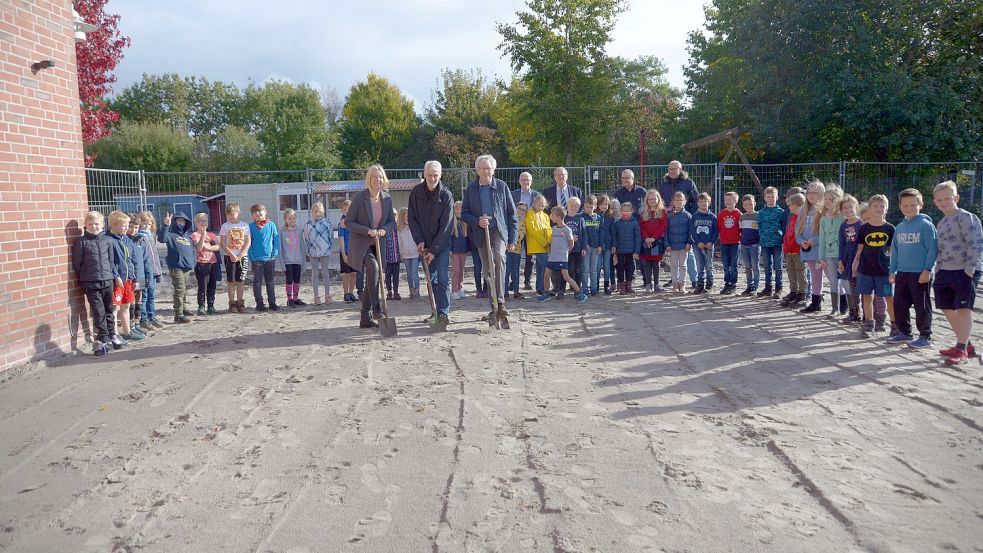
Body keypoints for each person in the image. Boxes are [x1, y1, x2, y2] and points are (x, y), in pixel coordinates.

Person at [461, 154, 519, 326]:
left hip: (499, 231)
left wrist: (512, 239)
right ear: (477, 170)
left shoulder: (502, 186)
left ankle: (501, 302)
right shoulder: (471, 189)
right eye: (482, 168)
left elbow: (512, 214)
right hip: (481, 233)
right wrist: (477, 221)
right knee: (487, 270)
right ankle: (494, 305)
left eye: (489, 168)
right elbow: (464, 213)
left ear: (493, 169)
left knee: (499, 258)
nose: (486, 171)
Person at [932, 180, 983, 364]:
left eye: (947, 198)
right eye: (939, 199)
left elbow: (975, 243)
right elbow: (940, 248)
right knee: (946, 307)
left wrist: (970, 268)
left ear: (956, 197)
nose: (943, 201)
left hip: (965, 270)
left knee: (963, 308)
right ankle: (966, 344)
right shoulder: (941, 222)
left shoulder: (967, 217)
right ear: (935, 201)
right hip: (945, 270)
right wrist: (937, 269)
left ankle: (961, 351)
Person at [346, 164, 397, 329]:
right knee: (373, 268)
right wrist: (368, 231)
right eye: (374, 177)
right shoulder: (360, 197)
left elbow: (391, 222)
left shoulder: (387, 198)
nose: (378, 179)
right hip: (361, 243)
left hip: (378, 244)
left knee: (372, 277)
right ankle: (377, 308)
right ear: (369, 179)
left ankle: (364, 318)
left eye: (380, 176)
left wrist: (383, 230)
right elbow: (349, 222)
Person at [408, 161, 455, 327]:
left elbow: (446, 226)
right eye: (429, 174)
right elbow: (411, 218)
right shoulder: (415, 192)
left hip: (440, 247)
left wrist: (434, 250)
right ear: (424, 174)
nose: (432, 178)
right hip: (423, 245)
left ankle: (443, 313)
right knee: (431, 279)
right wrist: (419, 241)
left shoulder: (446, 195)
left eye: (435, 175)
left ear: (440, 175)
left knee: (442, 279)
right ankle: (434, 311)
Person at [888, 188, 937, 347]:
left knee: (921, 305)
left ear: (920, 204)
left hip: (920, 274)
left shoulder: (926, 225)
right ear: (900, 206)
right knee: (899, 304)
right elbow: (894, 251)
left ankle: (925, 336)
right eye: (905, 205)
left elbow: (933, 249)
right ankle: (905, 333)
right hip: (902, 273)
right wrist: (892, 270)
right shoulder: (900, 227)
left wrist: (927, 270)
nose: (909, 208)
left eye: (912, 204)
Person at [72, 211, 119, 356]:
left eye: (97, 223)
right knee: (98, 312)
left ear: (102, 225)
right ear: (85, 225)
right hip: (91, 282)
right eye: (90, 224)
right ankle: (103, 339)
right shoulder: (81, 242)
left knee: (109, 310)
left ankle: (112, 335)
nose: (94, 226)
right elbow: (77, 264)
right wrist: (86, 277)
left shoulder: (108, 241)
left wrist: (112, 277)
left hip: (107, 280)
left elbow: (111, 262)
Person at [852, 194, 895, 339]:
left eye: (882, 206)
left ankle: (895, 326)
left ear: (886, 209)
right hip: (866, 270)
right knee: (867, 296)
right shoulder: (864, 228)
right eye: (875, 206)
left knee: (888, 297)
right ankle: (869, 324)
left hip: (884, 271)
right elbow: (860, 249)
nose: (879, 209)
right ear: (869, 209)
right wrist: (855, 265)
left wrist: (892, 269)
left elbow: (892, 251)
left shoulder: (890, 229)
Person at [660, 161, 699, 288]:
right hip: (670, 220)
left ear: (680, 169)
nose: (671, 171)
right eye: (670, 169)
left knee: (689, 252)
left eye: (674, 169)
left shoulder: (688, 183)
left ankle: (695, 280)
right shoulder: (664, 185)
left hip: (685, 220)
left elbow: (695, 200)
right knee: (674, 257)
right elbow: (661, 202)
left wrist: (690, 216)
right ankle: (674, 280)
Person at [537, 206, 586, 303]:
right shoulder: (554, 228)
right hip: (552, 257)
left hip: (562, 257)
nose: (550, 216)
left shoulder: (567, 230)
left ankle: (580, 293)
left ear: (558, 217)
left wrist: (566, 252)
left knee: (566, 277)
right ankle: (546, 293)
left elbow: (571, 243)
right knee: (546, 275)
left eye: (552, 215)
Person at [107, 211, 142, 342]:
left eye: (127, 225)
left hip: (128, 280)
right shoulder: (109, 240)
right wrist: (116, 276)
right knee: (115, 307)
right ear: (114, 225)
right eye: (124, 225)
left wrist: (135, 278)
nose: (127, 228)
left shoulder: (127, 239)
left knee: (126, 305)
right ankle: (115, 335)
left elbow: (133, 260)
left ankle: (127, 331)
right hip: (117, 281)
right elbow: (109, 261)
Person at [157, 210, 196, 323]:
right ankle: (178, 314)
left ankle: (183, 308)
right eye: (179, 220)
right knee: (179, 289)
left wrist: (192, 263)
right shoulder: (170, 235)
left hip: (186, 267)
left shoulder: (188, 237)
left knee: (183, 289)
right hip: (175, 266)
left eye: (183, 221)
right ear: (174, 222)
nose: (181, 223)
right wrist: (165, 225)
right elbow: (161, 239)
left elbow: (192, 251)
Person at [796, 181, 826, 312]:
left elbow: (828, 232)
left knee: (832, 276)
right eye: (809, 192)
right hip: (807, 249)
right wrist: (801, 241)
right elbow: (798, 230)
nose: (811, 195)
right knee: (815, 275)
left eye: (815, 193)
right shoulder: (803, 210)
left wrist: (816, 240)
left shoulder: (824, 210)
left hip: (821, 249)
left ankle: (842, 303)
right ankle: (816, 303)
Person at [818, 185, 846, 317]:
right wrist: (821, 257)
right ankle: (835, 309)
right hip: (829, 255)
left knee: (846, 282)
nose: (828, 201)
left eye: (831, 199)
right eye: (826, 198)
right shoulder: (823, 218)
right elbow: (822, 238)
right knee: (834, 282)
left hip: (843, 256)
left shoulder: (843, 217)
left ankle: (852, 310)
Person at [247, 203, 280, 312]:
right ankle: (259, 303)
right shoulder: (250, 227)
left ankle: (272, 303)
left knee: (270, 281)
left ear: (265, 212)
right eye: (255, 212)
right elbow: (248, 243)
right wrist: (252, 257)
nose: (258, 213)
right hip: (257, 260)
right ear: (252, 215)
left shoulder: (271, 225)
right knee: (257, 282)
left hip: (270, 259)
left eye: (260, 211)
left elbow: (276, 239)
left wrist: (274, 254)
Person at [219, 202, 250, 313]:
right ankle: (232, 304)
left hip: (242, 257)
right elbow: (222, 243)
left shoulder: (245, 225)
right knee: (231, 281)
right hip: (229, 257)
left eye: (233, 214)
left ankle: (240, 303)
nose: (231, 216)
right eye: (229, 215)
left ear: (238, 212)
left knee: (240, 281)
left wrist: (241, 254)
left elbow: (248, 242)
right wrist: (231, 254)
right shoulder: (225, 226)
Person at [512, 172, 541, 290]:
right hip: (516, 229)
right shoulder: (512, 194)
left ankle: (527, 281)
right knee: (514, 256)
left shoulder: (537, 195)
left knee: (530, 256)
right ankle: (513, 281)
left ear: (531, 181)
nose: (525, 182)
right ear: (519, 181)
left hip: (531, 229)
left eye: (528, 180)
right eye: (523, 180)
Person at [837, 196, 863, 322]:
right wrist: (840, 260)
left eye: (850, 207)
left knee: (863, 286)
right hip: (848, 259)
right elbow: (841, 244)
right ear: (841, 211)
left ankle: (867, 314)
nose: (848, 210)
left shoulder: (861, 224)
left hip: (860, 258)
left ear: (856, 208)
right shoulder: (843, 226)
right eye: (845, 208)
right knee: (852, 286)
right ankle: (854, 312)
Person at [757, 187, 786, 299]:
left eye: (772, 196)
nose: (770, 199)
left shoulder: (781, 212)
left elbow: (783, 227)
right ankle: (768, 288)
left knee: (778, 266)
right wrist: (762, 236)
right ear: (764, 198)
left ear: (777, 197)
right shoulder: (761, 212)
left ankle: (779, 288)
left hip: (777, 243)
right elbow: (759, 226)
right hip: (765, 243)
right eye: (768, 197)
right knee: (767, 266)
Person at [303, 201, 334, 305]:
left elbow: (331, 236)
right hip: (313, 252)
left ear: (323, 211)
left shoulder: (327, 223)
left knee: (325, 273)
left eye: (320, 211)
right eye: (315, 211)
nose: (317, 213)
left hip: (325, 251)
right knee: (315, 273)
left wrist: (329, 247)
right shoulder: (308, 224)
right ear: (312, 212)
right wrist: (309, 249)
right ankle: (316, 296)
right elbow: (307, 237)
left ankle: (327, 295)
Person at [137, 211, 164, 329]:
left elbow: (155, 256)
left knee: (151, 295)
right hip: (143, 272)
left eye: (148, 224)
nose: (146, 226)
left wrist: (158, 271)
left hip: (153, 270)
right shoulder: (138, 238)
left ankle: (152, 316)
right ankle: (144, 319)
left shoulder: (151, 236)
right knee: (144, 296)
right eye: (144, 223)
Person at [638, 190, 668, 293]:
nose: (652, 201)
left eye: (654, 198)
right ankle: (648, 284)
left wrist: (654, 238)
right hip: (646, 242)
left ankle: (656, 284)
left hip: (657, 241)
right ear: (646, 200)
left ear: (658, 199)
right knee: (646, 263)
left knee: (656, 263)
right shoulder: (643, 212)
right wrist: (646, 238)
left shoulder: (662, 212)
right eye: (649, 199)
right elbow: (641, 227)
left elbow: (663, 227)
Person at [555, 196, 586, 296]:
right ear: (567, 206)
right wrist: (570, 238)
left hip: (578, 249)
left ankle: (577, 289)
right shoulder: (565, 218)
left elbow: (584, 234)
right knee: (565, 270)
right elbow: (560, 232)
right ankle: (561, 289)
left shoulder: (580, 218)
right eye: (572, 206)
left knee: (578, 270)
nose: (574, 208)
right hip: (566, 250)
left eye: (576, 206)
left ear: (579, 207)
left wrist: (584, 247)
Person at [192, 212, 222, 315]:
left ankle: (211, 305)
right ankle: (201, 306)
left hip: (213, 263)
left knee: (212, 286)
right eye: (201, 221)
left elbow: (218, 247)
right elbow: (199, 247)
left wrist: (208, 246)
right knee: (202, 287)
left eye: (205, 221)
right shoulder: (195, 234)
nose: (203, 223)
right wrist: (203, 237)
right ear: (196, 223)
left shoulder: (212, 235)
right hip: (202, 264)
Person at [782, 194, 807, 308]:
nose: (789, 208)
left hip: (798, 250)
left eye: (790, 205)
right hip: (789, 250)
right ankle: (794, 291)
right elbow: (788, 233)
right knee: (791, 272)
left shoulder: (803, 218)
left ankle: (802, 294)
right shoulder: (792, 217)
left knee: (800, 272)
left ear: (797, 205)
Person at [127, 214, 152, 328]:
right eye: (130, 227)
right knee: (129, 304)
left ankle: (137, 324)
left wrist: (147, 276)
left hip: (140, 277)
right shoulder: (124, 241)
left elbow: (146, 261)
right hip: (129, 278)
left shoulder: (141, 241)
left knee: (138, 303)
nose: (133, 230)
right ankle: (130, 326)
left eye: (136, 227)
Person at [610, 201, 641, 294]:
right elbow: (614, 236)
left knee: (630, 269)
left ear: (632, 211)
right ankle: (621, 286)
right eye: (623, 211)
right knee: (620, 269)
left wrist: (636, 251)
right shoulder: (618, 223)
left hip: (630, 252)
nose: (625, 213)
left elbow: (637, 238)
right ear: (620, 212)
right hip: (620, 251)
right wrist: (614, 246)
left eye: (627, 211)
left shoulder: (634, 223)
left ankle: (629, 286)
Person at [666, 192, 693, 293]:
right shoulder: (669, 216)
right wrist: (667, 244)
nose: (678, 202)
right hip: (672, 245)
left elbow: (691, 231)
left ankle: (682, 284)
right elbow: (666, 231)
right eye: (676, 200)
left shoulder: (688, 215)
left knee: (683, 266)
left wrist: (689, 242)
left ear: (684, 202)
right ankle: (675, 284)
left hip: (684, 246)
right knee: (673, 266)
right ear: (673, 202)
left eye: (681, 200)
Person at [690, 193, 718, 294]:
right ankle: (700, 284)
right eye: (701, 202)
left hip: (709, 245)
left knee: (709, 264)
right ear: (697, 203)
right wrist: (698, 242)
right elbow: (692, 231)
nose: (703, 204)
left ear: (709, 203)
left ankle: (709, 283)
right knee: (699, 265)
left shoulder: (712, 217)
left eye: (705, 201)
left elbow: (716, 231)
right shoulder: (694, 217)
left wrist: (711, 242)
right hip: (698, 245)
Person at [525, 194, 552, 296]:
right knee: (545, 267)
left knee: (541, 268)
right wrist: (543, 241)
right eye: (538, 205)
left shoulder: (545, 216)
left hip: (545, 246)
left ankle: (540, 289)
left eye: (542, 205)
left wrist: (549, 241)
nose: (540, 207)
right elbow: (532, 230)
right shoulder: (530, 214)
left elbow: (549, 229)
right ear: (534, 204)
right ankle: (543, 289)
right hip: (536, 246)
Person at [717, 191, 742, 295]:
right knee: (726, 264)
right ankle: (727, 283)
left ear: (735, 201)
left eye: (730, 200)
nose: (728, 202)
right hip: (724, 242)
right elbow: (719, 227)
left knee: (734, 264)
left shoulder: (738, 214)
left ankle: (733, 284)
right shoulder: (721, 213)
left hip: (735, 243)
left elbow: (741, 228)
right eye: (726, 200)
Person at [581, 195, 604, 296]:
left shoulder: (598, 218)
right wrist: (584, 246)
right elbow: (582, 233)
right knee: (585, 269)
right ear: (584, 206)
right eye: (587, 207)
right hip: (586, 248)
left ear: (595, 206)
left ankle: (594, 289)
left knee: (594, 270)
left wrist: (600, 245)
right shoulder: (581, 217)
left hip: (595, 247)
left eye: (591, 207)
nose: (589, 209)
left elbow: (601, 233)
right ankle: (585, 289)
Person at [738, 194, 760, 296]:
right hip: (744, 244)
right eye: (746, 205)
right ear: (743, 205)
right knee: (747, 267)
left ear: (755, 203)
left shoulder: (758, 216)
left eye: (750, 204)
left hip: (755, 244)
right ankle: (749, 286)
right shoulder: (742, 217)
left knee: (755, 266)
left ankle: (755, 286)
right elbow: (741, 230)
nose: (749, 206)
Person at [505, 202, 528, 299]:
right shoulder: (509, 220)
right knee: (506, 271)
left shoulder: (523, 224)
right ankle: (505, 291)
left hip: (516, 250)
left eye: (524, 210)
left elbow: (519, 237)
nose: (522, 211)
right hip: (506, 249)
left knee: (515, 271)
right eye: (520, 208)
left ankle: (516, 291)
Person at [397, 207, 420, 299]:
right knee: (409, 274)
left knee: (414, 272)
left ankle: (417, 290)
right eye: (405, 217)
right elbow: (399, 242)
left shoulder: (415, 227)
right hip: (405, 254)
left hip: (415, 253)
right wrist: (400, 253)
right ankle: (411, 290)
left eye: (408, 216)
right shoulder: (400, 229)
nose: (407, 218)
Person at [337, 200, 357, 303]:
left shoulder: (355, 223)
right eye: (344, 210)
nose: (347, 211)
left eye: (349, 210)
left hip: (355, 252)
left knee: (354, 273)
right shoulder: (341, 224)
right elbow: (341, 239)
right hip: (345, 251)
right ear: (342, 211)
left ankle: (351, 292)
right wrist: (344, 254)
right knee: (346, 274)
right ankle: (345, 294)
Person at [450, 201, 470, 301]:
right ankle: (454, 290)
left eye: (460, 209)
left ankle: (460, 288)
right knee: (456, 271)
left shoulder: (465, 223)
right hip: (454, 251)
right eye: (457, 209)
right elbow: (449, 238)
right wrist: (449, 249)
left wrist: (468, 249)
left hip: (463, 250)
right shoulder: (451, 222)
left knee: (462, 270)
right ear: (454, 210)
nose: (459, 211)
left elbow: (468, 238)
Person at [597, 195, 616, 295]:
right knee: (597, 266)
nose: (604, 206)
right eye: (601, 204)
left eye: (606, 204)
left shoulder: (610, 217)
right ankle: (595, 285)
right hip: (597, 245)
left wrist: (614, 244)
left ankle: (606, 285)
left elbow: (613, 232)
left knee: (607, 266)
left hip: (608, 245)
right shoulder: (595, 216)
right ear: (597, 205)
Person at [384, 209, 402, 300]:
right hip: (387, 256)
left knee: (396, 274)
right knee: (387, 275)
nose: (393, 216)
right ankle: (389, 291)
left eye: (395, 214)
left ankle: (396, 291)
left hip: (396, 256)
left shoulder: (399, 227)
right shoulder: (385, 227)